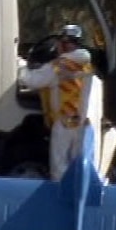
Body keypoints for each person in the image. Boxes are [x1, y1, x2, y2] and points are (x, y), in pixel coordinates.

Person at [18, 24, 95, 181]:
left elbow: (33, 81)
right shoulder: (86, 65)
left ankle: (60, 198)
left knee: (59, 168)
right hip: (83, 123)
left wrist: (20, 66)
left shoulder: (58, 66)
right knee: (79, 166)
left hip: (64, 122)